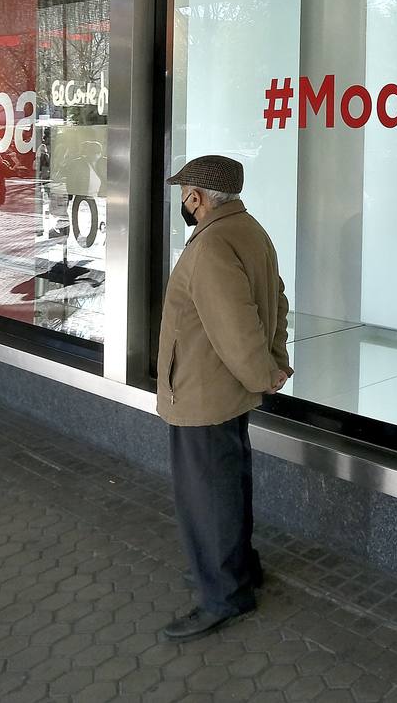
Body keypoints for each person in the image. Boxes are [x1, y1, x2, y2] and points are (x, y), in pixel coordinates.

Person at [156, 154, 291, 642]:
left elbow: (235, 327)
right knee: (228, 484)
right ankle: (239, 570)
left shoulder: (212, 246)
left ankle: (222, 595)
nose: (182, 201)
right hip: (225, 390)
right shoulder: (249, 230)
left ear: (197, 197)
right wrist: (271, 361)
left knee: (206, 495)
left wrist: (263, 372)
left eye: (184, 193)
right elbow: (276, 299)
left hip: (203, 392)